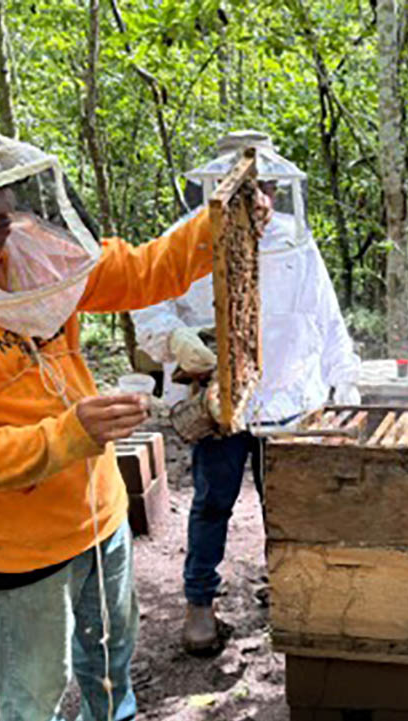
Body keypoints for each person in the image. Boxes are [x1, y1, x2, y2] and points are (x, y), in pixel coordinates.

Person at [0, 85, 267, 721]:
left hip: (100, 511)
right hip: (18, 546)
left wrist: (218, 227)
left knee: (111, 661)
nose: (5, 203)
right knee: (36, 701)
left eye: (1, 181)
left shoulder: (29, 251)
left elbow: (138, 273)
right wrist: (67, 435)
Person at [132, 130, 361, 655]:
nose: (262, 199)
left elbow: (324, 312)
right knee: (213, 501)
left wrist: (344, 375)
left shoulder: (294, 237)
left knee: (286, 502)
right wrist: (176, 339)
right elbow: (147, 302)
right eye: (249, 189)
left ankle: (285, 584)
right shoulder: (185, 238)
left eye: (269, 188)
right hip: (221, 398)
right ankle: (199, 605)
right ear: (222, 187)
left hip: (289, 394)